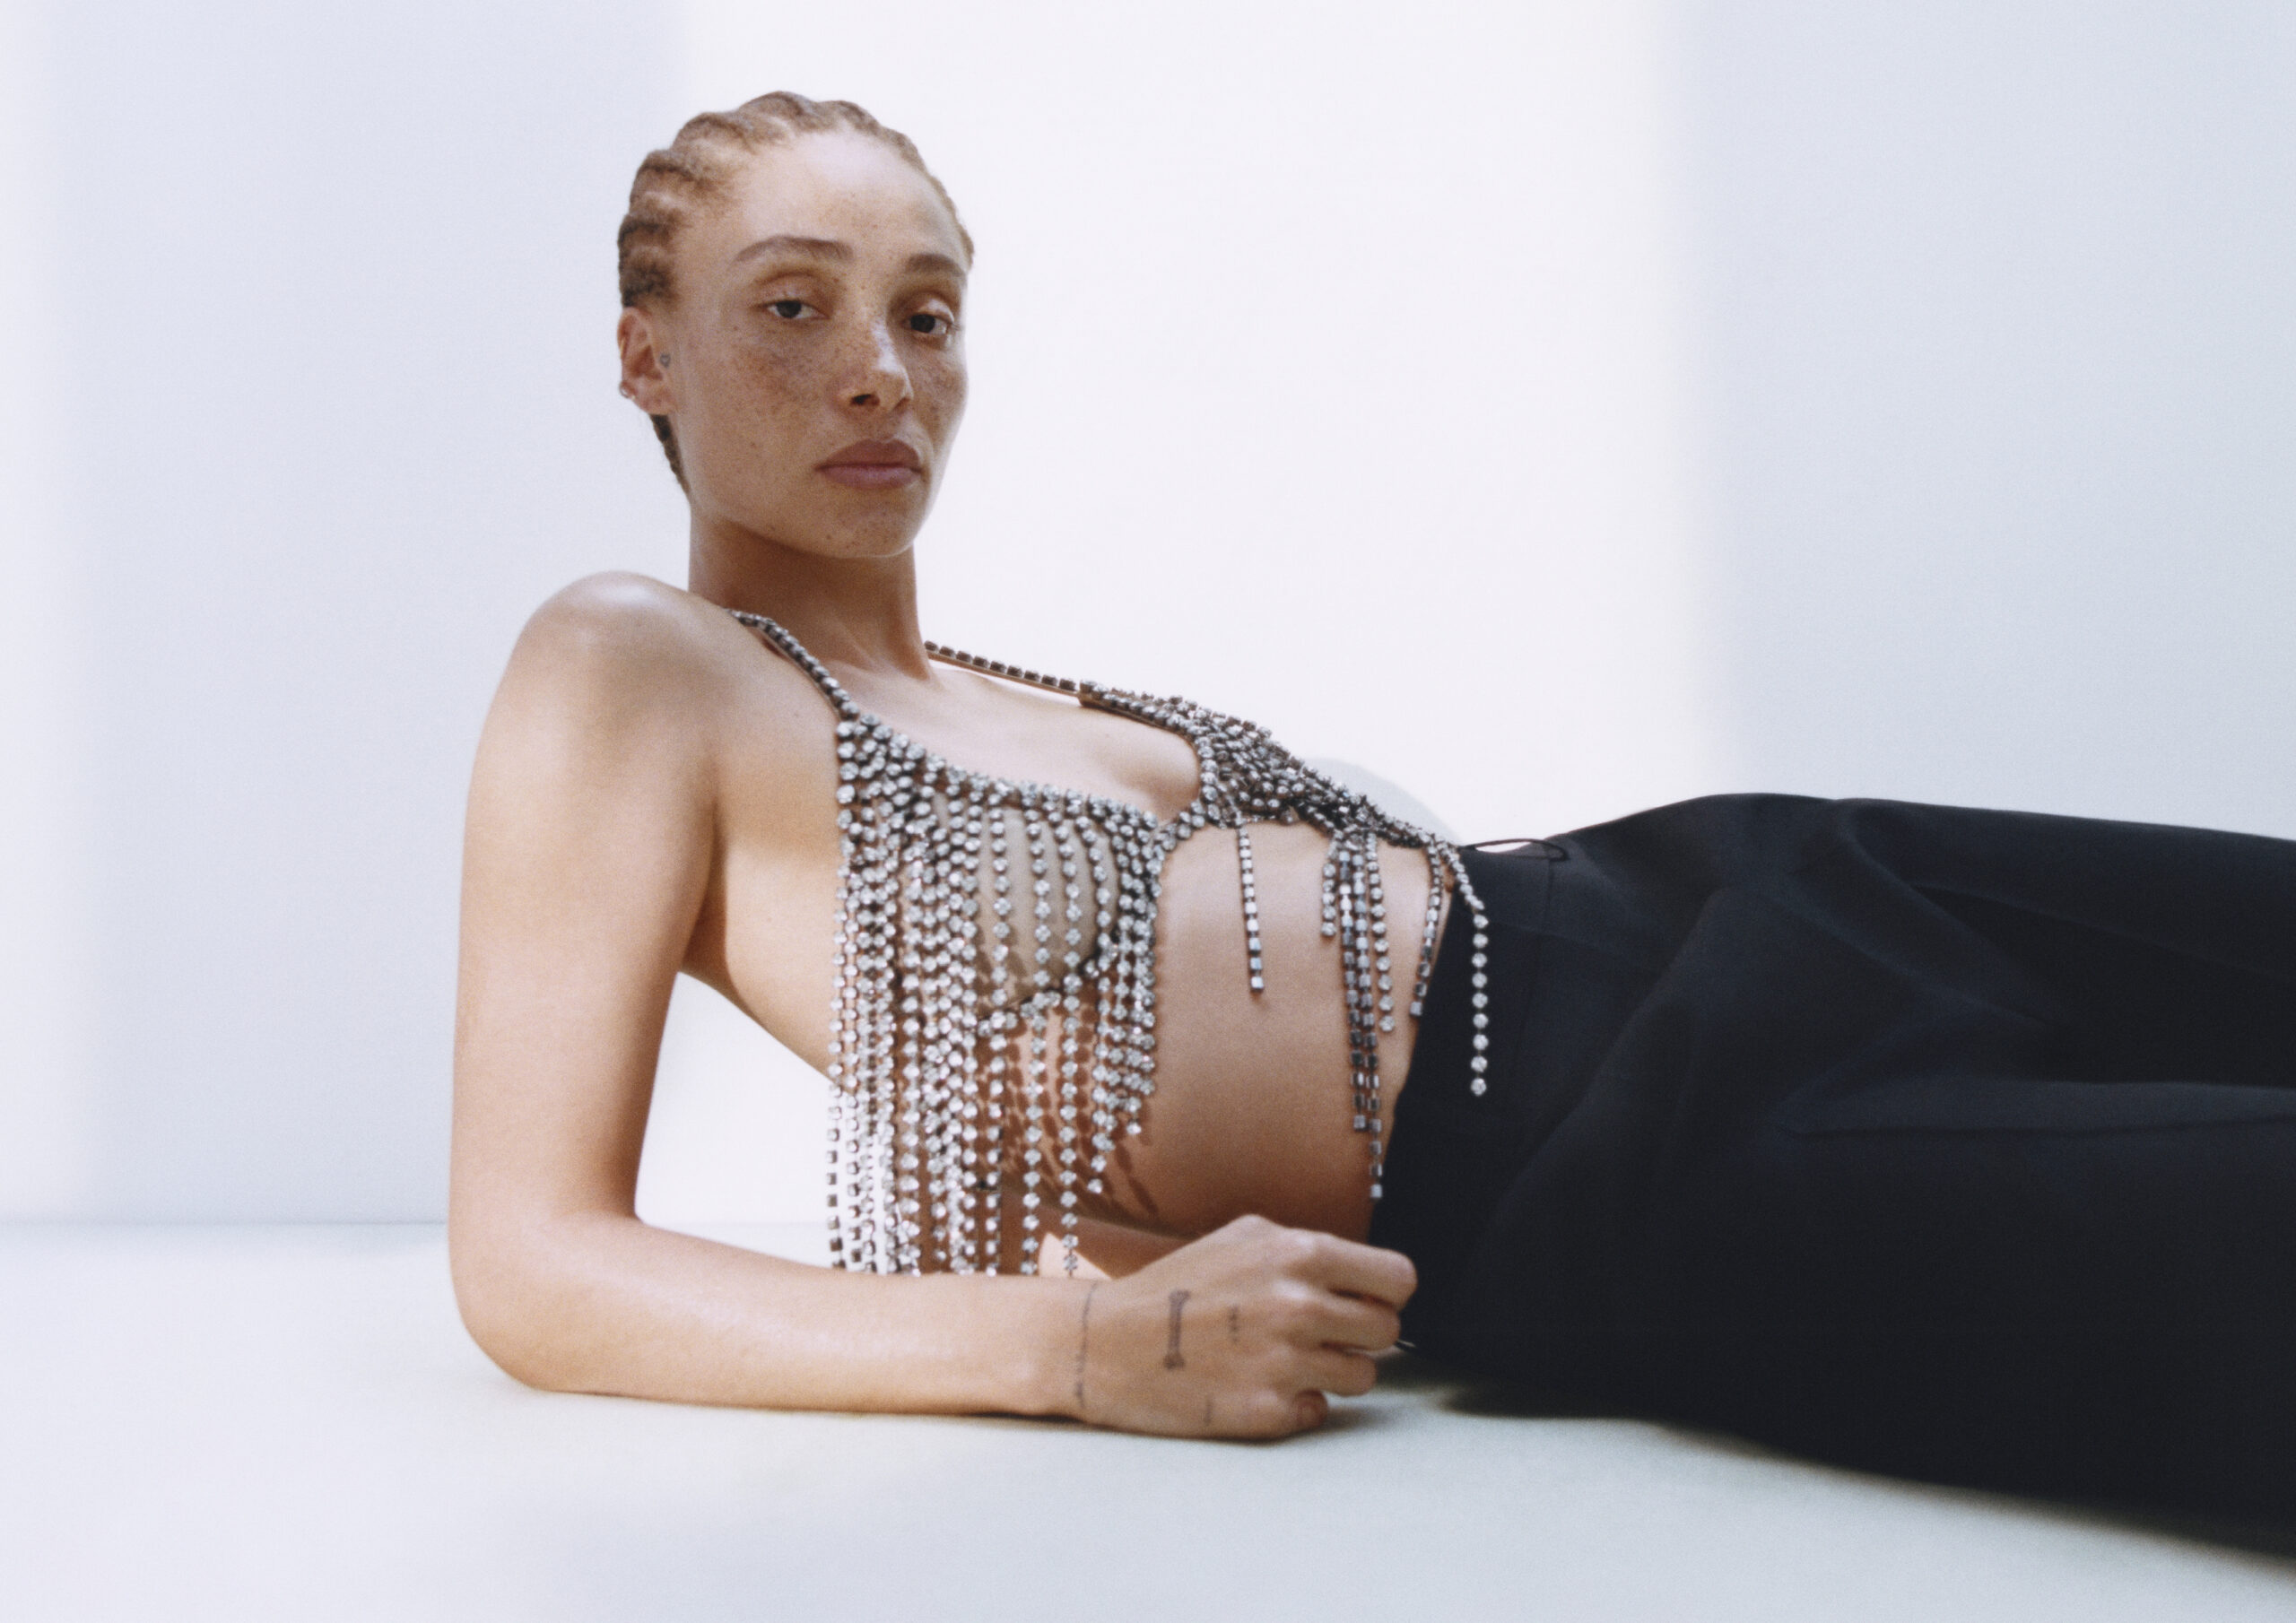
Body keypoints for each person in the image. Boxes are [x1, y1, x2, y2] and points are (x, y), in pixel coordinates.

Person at [451, 93, 2296, 1515]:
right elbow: (533, 1260)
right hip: (1601, 1149)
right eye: (794, 306)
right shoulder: (631, 662)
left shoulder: (1016, 690)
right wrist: (1081, 1344)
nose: (881, 370)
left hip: (1744, 877)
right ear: (646, 355)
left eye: (926, 313)